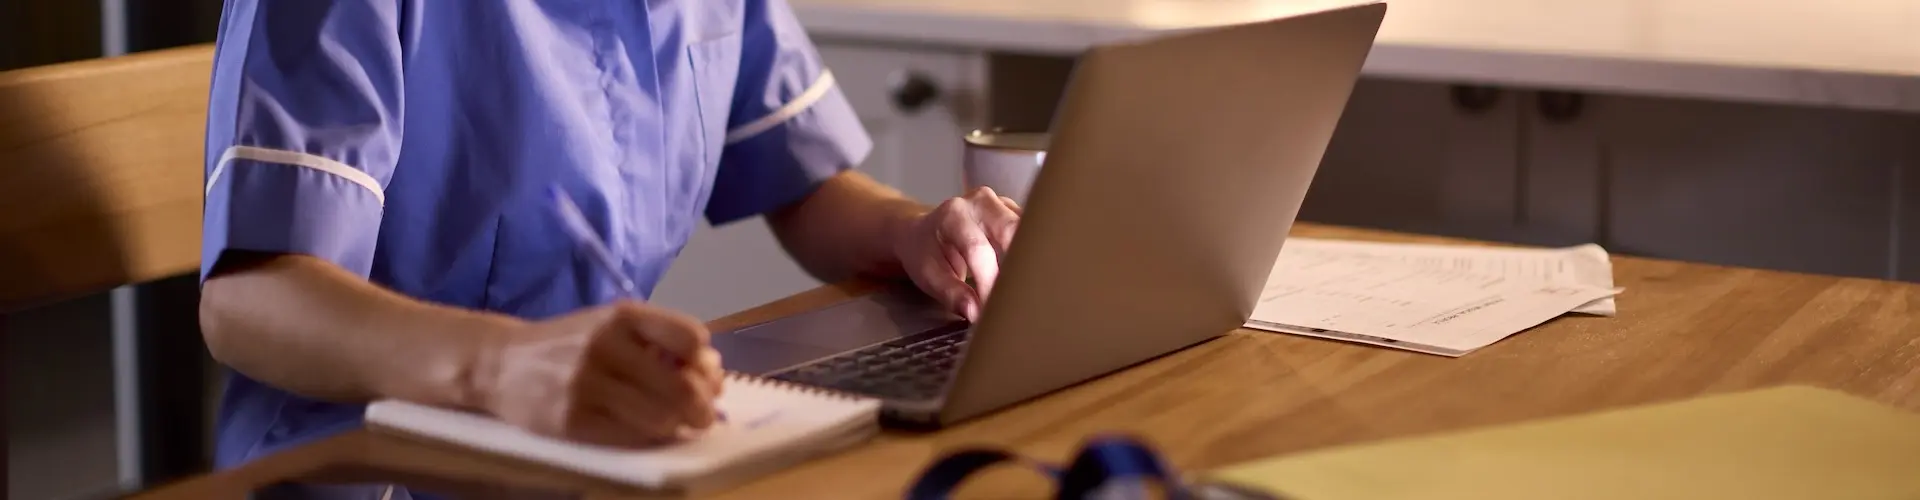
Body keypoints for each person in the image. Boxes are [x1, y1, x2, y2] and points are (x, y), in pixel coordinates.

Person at [196, 0, 1020, 492]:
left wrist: (913, 233)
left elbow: (798, 176)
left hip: (599, 455)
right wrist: (501, 365)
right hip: (368, 469)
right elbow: (248, 298)